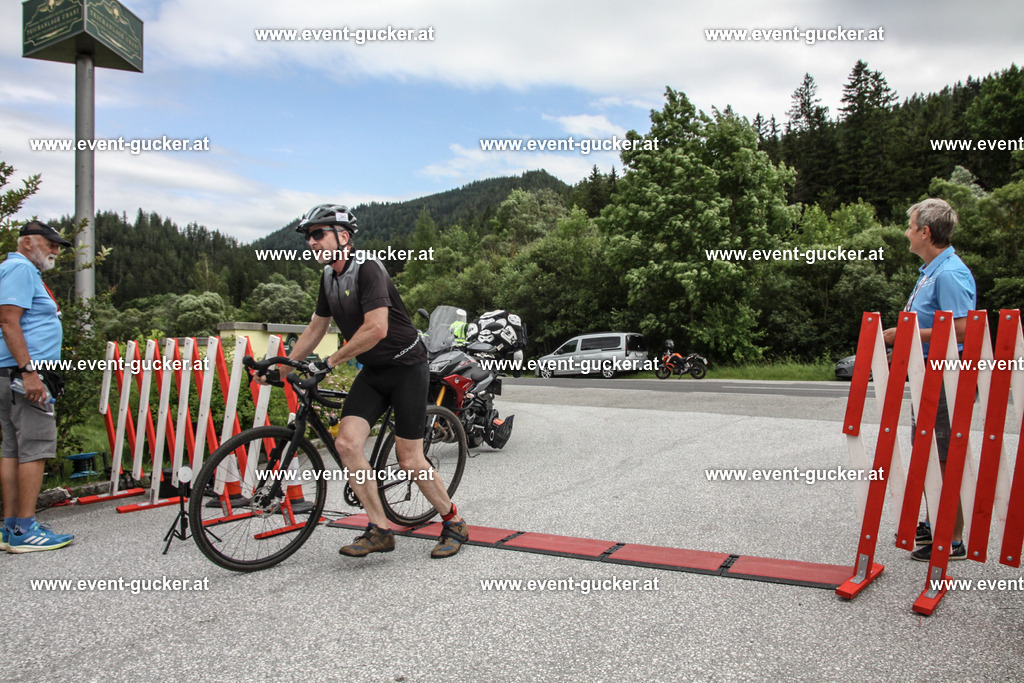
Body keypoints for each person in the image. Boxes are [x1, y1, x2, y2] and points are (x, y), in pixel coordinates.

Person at [259, 204, 468, 558]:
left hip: (406, 367)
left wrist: (330, 361)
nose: (311, 242)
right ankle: (380, 529)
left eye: (317, 234)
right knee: (347, 444)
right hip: (373, 372)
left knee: (409, 458)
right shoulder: (329, 277)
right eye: (309, 237)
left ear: (343, 236)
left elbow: (377, 328)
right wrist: (279, 369)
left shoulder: (368, 269)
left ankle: (453, 522)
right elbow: (316, 327)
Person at [881, 198, 975, 562]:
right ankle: (936, 520)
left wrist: (906, 333)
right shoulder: (931, 270)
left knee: (943, 453)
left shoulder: (949, 272)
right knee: (928, 448)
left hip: (947, 376)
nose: (906, 233)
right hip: (928, 374)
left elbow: (965, 327)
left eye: (910, 226)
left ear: (925, 232)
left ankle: (952, 538)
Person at [0, 221, 74, 553]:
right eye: (51, 244)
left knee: (13, 449)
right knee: (36, 448)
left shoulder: (18, 270)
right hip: (25, 375)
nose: (56, 251)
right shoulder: (20, 270)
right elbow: (7, 319)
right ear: (28, 242)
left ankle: (12, 526)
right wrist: (29, 371)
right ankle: (26, 528)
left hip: (11, 372)